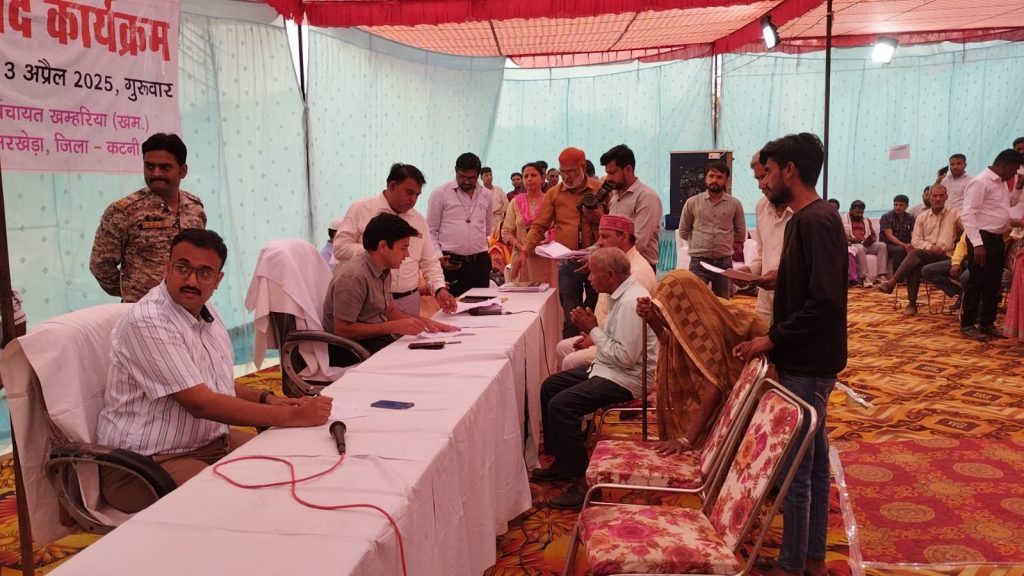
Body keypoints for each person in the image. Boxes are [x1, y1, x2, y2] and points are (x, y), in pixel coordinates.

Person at [96, 229, 333, 513]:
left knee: (292, 466)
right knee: (237, 505)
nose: (192, 281)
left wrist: (268, 400)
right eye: (183, 268)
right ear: (166, 268)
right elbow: (201, 403)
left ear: (217, 280)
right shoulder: (149, 321)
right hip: (147, 464)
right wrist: (293, 416)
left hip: (212, 444)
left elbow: (215, 383)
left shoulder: (205, 311)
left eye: (204, 273)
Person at [733, 133, 847, 576]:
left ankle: (792, 565)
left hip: (808, 362)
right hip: (808, 358)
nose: (763, 182)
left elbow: (824, 301)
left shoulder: (816, 220)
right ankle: (811, 560)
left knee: (797, 469)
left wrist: (773, 339)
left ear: (790, 170)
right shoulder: (809, 219)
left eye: (768, 172)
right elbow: (812, 282)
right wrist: (775, 280)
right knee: (812, 465)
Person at [533, 247, 658, 509]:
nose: (589, 279)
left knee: (562, 405)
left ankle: (583, 482)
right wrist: (594, 330)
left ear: (610, 275)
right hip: (609, 367)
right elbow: (615, 345)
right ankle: (564, 463)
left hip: (626, 378)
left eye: (593, 273)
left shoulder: (630, 302)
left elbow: (625, 358)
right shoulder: (618, 294)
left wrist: (592, 329)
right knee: (550, 387)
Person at [635, 270, 767, 454]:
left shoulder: (703, 328)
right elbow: (669, 339)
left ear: (680, 303)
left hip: (729, 406)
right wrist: (651, 317)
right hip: (711, 401)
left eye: (665, 308)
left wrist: (686, 440)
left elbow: (715, 387)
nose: (662, 313)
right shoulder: (692, 313)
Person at [90, 133, 206, 303]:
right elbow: (101, 265)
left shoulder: (195, 208)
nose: (156, 173)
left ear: (182, 170)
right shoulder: (123, 212)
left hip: (186, 307)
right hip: (142, 309)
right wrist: (133, 291)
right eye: (150, 166)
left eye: (165, 167)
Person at [325, 213, 456, 363]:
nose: (407, 255)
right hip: (350, 349)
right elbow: (343, 330)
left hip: (373, 339)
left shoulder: (383, 269)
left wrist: (425, 322)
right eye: (403, 248)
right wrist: (392, 326)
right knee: (418, 361)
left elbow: (389, 310)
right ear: (383, 246)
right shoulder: (354, 277)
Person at [333, 163, 457, 316]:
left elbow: (429, 261)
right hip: (372, 299)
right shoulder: (361, 209)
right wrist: (375, 253)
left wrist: (439, 289)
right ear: (392, 186)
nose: (413, 200)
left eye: (417, 195)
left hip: (410, 298)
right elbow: (340, 247)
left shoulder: (418, 220)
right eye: (409, 193)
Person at [514, 147, 603, 337]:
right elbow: (539, 226)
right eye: (563, 172)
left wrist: (599, 217)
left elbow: (612, 224)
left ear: (583, 166)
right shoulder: (554, 193)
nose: (567, 177)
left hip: (597, 260)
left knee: (597, 310)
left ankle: (593, 347)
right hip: (568, 262)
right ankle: (570, 348)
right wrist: (524, 251)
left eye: (571, 171)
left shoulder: (599, 189)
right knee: (570, 313)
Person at [554, 215, 656, 370]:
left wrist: (595, 337)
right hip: (604, 336)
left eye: (605, 237)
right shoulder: (612, 263)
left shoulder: (637, 272)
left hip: (626, 352)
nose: (600, 242)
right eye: (599, 236)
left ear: (624, 237)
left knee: (570, 360)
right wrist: (593, 334)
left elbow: (628, 338)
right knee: (562, 347)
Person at [960, 149, 1024, 340]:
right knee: (976, 282)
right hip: (981, 238)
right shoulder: (980, 182)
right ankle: (967, 324)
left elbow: (1007, 205)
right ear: (1005, 165)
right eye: (1014, 170)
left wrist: (1018, 188)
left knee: (993, 283)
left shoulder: (1001, 182)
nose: (1014, 174)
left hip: (996, 238)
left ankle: (987, 322)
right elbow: (968, 214)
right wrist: (977, 244)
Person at [876, 186, 961, 316]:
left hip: (946, 255)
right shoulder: (922, 217)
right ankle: (912, 303)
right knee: (916, 263)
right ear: (929, 197)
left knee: (915, 255)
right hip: (927, 254)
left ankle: (893, 282)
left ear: (946, 197)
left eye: (941, 196)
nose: (938, 199)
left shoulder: (954, 214)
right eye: (934, 196)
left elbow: (967, 232)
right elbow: (916, 241)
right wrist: (931, 247)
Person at [426, 153, 494, 297]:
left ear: (478, 175)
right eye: (462, 176)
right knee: (451, 307)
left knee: (480, 305)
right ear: (455, 171)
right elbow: (430, 231)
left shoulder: (486, 195)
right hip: (450, 262)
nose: (466, 181)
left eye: (471, 178)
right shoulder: (440, 193)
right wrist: (439, 256)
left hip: (479, 263)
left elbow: (487, 228)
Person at [679, 161, 746, 298]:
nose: (714, 180)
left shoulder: (735, 204)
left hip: (724, 263)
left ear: (727, 181)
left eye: (719, 177)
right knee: (695, 300)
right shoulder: (692, 202)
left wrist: (722, 244)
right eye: (711, 176)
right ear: (706, 178)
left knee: (723, 301)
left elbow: (740, 234)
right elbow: (683, 232)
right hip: (698, 262)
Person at [740, 152, 793, 321]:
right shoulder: (761, 207)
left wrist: (783, 278)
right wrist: (749, 271)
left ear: (786, 172)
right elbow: (763, 255)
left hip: (796, 302)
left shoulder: (806, 213)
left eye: (764, 176)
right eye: (757, 179)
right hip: (765, 300)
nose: (761, 185)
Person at [600, 144, 663, 270]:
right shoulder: (615, 196)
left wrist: (603, 257)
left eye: (612, 173)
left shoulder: (647, 197)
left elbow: (639, 243)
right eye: (607, 173)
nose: (608, 178)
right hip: (615, 265)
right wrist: (588, 253)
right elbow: (610, 236)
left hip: (638, 267)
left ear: (628, 169)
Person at [502, 163, 556, 285]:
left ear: (542, 178)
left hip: (545, 257)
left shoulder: (550, 201)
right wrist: (522, 247)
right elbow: (506, 231)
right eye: (526, 176)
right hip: (522, 258)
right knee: (523, 293)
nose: (529, 179)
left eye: (533, 175)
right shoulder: (515, 202)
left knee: (546, 292)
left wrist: (549, 239)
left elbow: (558, 227)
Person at [842, 199, 888, 287]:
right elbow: (842, 236)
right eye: (857, 212)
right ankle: (863, 277)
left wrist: (871, 239)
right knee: (860, 248)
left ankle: (881, 275)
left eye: (861, 212)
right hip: (853, 244)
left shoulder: (866, 220)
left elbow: (873, 234)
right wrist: (856, 240)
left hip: (866, 243)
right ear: (850, 210)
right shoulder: (843, 220)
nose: (859, 215)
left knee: (882, 245)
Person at [878, 194, 915, 272]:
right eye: (896, 205)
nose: (897, 207)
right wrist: (904, 245)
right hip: (889, 245)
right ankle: (897, 275)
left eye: (901, 205)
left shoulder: (910, 218)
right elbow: (889, 236)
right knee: (899, 250)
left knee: (918, 250)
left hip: (905, 243)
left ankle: (913, 276)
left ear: (907, 206)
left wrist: (912, 245)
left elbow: (913, 234)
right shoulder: (886, 217)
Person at [482, 166, 508, 237]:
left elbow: (506, 205)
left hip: (500, 222)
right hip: (485, 223)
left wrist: (495, 211)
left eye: (490, 174)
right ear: (481, 178)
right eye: (486, 175)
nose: (489, 177)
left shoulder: (499, 189)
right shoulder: (479, 191)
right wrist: (493, 211)